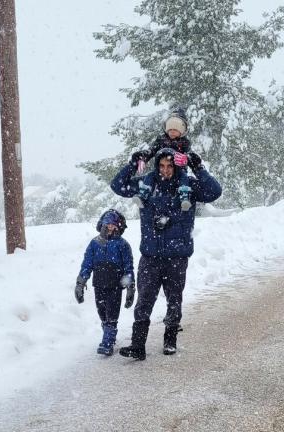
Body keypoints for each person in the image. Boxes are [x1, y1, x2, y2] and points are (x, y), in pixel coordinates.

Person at [110, 147, 222, 360]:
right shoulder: (146, 185)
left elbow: (214, 192)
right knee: (144, 300)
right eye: (161, 166)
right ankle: (138, 345)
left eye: (170, 166)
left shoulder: (188, 185)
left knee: (174, 300)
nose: (165, 170)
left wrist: (199, 168)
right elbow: (117, 185)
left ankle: (170, 339)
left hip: (177, 256)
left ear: (176, 166)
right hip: (150, 256)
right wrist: (134, 164)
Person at [75, 209, 136, 356]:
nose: (110, 228)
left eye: (114, 226)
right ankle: (109, 334)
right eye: (107, 225)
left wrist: (130, 287)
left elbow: (128, 268)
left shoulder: (123, 245)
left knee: (112, 315)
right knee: (102, 313)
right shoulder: (94, 244)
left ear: (119, 227)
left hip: (115, 286)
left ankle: (107, 342)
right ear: (102, 225)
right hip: (99, 285)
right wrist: (80, 283)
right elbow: (87, 264)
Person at [131, 109, 197, 212]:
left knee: (184, 178)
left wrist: (186, 159)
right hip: (161, 171)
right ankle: (143, 194)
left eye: (175, 130)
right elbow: (151, 151)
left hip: (178, 171)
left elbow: (190, 156)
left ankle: (184, 196)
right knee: (150, 176)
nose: (172, 132)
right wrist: (143, 157)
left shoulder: (184, 143)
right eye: (170, 130)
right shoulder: (161, 140)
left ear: (182, 131)